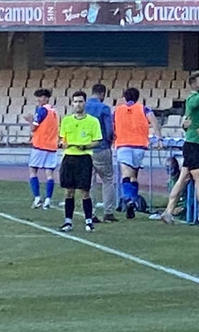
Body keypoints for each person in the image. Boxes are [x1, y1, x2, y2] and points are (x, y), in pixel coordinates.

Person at [162, 70, 199, 225]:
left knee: (183, 179)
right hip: (194, 146)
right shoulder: (193, 99)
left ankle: (168, 211)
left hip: (195, 145)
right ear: (194, 85)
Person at [57, 91, 104, 233]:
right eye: (75, 101)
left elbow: (97, 141)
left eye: (80, 101)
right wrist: (61, 143)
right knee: (69, 191)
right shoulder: (66, 120)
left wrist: (85, 146)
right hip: (69, 158)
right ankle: (68, 222)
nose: (78, 104)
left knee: (85, 191)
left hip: (84, 158)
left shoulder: (92, 121)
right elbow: (61, 139)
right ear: (72, 103)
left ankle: (89, 221)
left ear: (85, 103)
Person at [112, 87, 155, 219]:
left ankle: (128, 199)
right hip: (140, 145)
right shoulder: (144, 109)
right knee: (134, 174)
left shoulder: (117, 110)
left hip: (123, 144)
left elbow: (112, 127)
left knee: (125, 173)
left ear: (125, 98)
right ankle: (134, 199)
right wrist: (158, 138)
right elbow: (154, 122)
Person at [85, 84, 117, 222]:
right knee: (107, 180)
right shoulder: (104, 108)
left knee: (90, 182)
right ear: (103, 94)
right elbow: (109, 130)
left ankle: (91, 213)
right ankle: (108, 212)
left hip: (86, 149)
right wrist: (109, 141)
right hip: (101, 147)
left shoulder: (83, 107)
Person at [25, 88, 60, 209]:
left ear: (45, 98)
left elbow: (33, 128)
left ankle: (37, 198)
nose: (38, 100)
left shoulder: (42, 110)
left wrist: (30, 121)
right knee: (49, 174)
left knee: (32, 170)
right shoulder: (54, 111)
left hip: (40, 145)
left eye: (40, 97)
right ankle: (48, 200)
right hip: (52, 146)